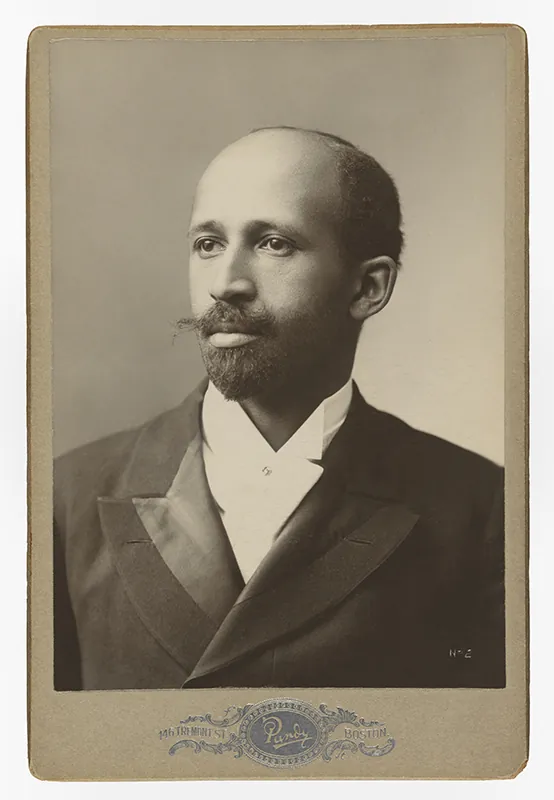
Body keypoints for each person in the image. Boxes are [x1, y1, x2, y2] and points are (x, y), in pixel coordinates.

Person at [53, 126, 505, 691]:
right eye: (208, 244)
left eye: (274, 244)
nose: (225, 284)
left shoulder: (482, 509)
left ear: (368, 287)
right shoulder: (63, 497)